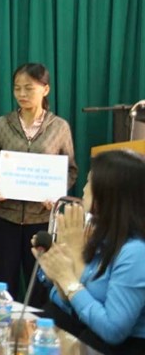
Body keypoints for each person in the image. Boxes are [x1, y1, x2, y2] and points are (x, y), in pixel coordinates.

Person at [34, 150, 145, 354]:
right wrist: (57, 276)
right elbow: (69, 303)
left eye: (89, 183)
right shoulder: (100, 234)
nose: (83, 190)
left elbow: (113, 330)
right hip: (85, 336)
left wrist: (68, 278)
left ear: (109, 195)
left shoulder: (136, 252)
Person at [0, 63, 78, 306]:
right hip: (5, 217)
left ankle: (35, 327)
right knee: (3, 283)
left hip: (41, 220)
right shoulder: (1, 124)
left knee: (38, 286)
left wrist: (57, 195)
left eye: (29, 88)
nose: (22, 94)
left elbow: (70, 169)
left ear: (45, 89)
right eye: (17, 88)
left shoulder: (59, 127)